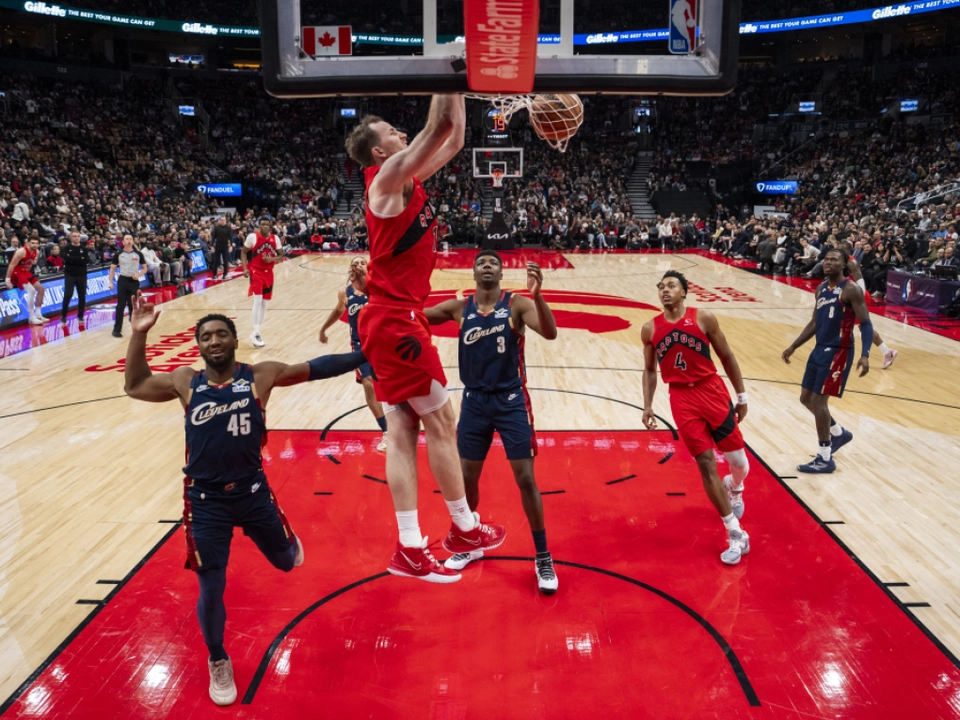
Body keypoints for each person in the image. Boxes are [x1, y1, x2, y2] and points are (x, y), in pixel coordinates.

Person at [123, 292, 365, 706]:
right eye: (205, 337)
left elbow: (317, 368)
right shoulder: (185, 381)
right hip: (205, 502)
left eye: (221, 334)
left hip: (254, 492)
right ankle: (218, 658)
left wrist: (364, 355)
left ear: (235, 341)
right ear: (198, 346)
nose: (213, 341)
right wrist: (139, 335)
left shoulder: (260, 375)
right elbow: (135, 385)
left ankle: (287, 542)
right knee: (211, 587)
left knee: (287, 563)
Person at [345, 95, 506, 583]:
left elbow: (453, 137)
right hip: (395, 322)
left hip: (392, 319)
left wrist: (458, 89)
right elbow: (435, 128)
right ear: (379, 153)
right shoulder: (387, 181)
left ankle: (411, 546)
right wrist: (448, 72)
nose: (400, 134)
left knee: (403, 430)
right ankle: (463, 530)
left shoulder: (403, 181)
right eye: (393, 132)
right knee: (440, 423)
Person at [425, 252, 560, 593]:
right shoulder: (459, 308)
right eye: (481, 262)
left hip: (511, 401)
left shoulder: (517, 305)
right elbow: (416, 317)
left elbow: (550, 332)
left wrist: (539, 296)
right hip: (474, 402)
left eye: (493, 263)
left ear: (501, 271)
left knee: (526, 478)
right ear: (473, 271)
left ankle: (543, 555)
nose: (487, 266)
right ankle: (472, 542)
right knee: (466, 477)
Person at [640, 270, 752, 565]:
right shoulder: (650, 329)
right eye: (661, 286)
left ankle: (735, 486)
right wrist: (647, 404)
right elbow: (650, 370)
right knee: (705, 462)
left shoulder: (703, 318)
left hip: (712, 391)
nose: (665, 290)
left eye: (671, 285)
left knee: (739, 463)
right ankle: (735, 532)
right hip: (681, 398)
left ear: (684, 292)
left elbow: (727, 356)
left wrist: (742, 396)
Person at [782, 247, 872, 474]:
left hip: (839, 351)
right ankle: (839, 433)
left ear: (844, 265)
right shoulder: (821, 289)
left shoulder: (850, 290)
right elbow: (814, 323)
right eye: (826, 259)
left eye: (834, 260)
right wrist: (794, 345)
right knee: (805, 398)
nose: (828, 262)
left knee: (820, 401)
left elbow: (867, 324)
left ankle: (825, 458)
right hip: (819, 349)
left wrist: (865, 354)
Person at [318, 256, 388, 452]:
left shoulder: (377, 288)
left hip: (381, 343)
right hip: (360, 346)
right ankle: (387, 431)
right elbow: (338, 310)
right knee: (368, 384)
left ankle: (402, 425)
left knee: (389, 386)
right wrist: (324, 328)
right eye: (354, 263)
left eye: (361, 262)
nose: (357, 265)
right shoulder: (345, 292)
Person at [840, 240, 897, 368]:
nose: (839, 252)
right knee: (859, 327)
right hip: (852, 295)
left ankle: (842, 353)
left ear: (848, 250)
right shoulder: (842, 261)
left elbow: (860, 279)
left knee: (852, 325)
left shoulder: (851, 262)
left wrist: (861, 295)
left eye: (842, 250)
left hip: (859, 295)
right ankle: (887, 352)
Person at [241, 217, 283, 348]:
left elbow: (281, 257)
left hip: (268, 273)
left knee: (265, 304)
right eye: (262, 224)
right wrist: (245, 268)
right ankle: (256, 333)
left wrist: (271, 259)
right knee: (257, 301)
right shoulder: (252, 237)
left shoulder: (275, 239)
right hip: (255, 272)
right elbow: (243, 252)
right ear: (259, 226)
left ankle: (256, 332)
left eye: (267, 224)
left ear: (270, 226)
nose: (264, 226)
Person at [109, 234, 147, 338]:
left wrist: (138, 274)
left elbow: (145, 268)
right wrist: (110, 282)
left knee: (133, 305)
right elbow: (112, 268)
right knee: (120, 305)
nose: (129, 241)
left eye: (131, 239)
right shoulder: (118, 254)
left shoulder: (138, 254)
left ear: (133, 242)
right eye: (127, 239)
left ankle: (135, 327)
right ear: (123, 242)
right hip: (123, 280)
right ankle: (116, 330)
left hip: (134, 281)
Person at [4, 236, 48, 325]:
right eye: (32, 243)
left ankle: (38, 314)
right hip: (16, 272)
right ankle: (31, 317)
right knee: (31, 291)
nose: (35, 245)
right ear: (27, 242)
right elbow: (11, 265)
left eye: (36, 243)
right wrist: (7, 280)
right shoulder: (21, 251)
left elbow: (32, 264)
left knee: (41, 289)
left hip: (25, 272)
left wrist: (32, 263)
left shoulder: (37, 251)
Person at [60, 230, 89, 328]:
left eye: (78, 236)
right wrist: (78, 259)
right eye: (74, 236)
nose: (76, 238)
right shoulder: (66, 248)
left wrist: (72, 258)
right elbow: (66, 258)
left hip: (82, 275)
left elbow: (85, 260)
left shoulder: (84, 249)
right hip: (70, 275)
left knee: (82, 296)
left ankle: (80, 316)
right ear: (71, 238)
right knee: (68, 295)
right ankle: (63, 316)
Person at [210, 215, 232, 280]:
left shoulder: (228, 228)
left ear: (225, 221)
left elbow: (230, 237)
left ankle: (225, 274)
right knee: (216, 261)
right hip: (218, 246)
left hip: (225, 246)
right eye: (221, 220)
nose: (223, 221)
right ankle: (214, 275)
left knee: (225, 261)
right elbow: (213, 238)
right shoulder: (216, 228)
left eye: (224, 220)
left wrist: (230, 246)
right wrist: (212, 246)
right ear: (220, 221)